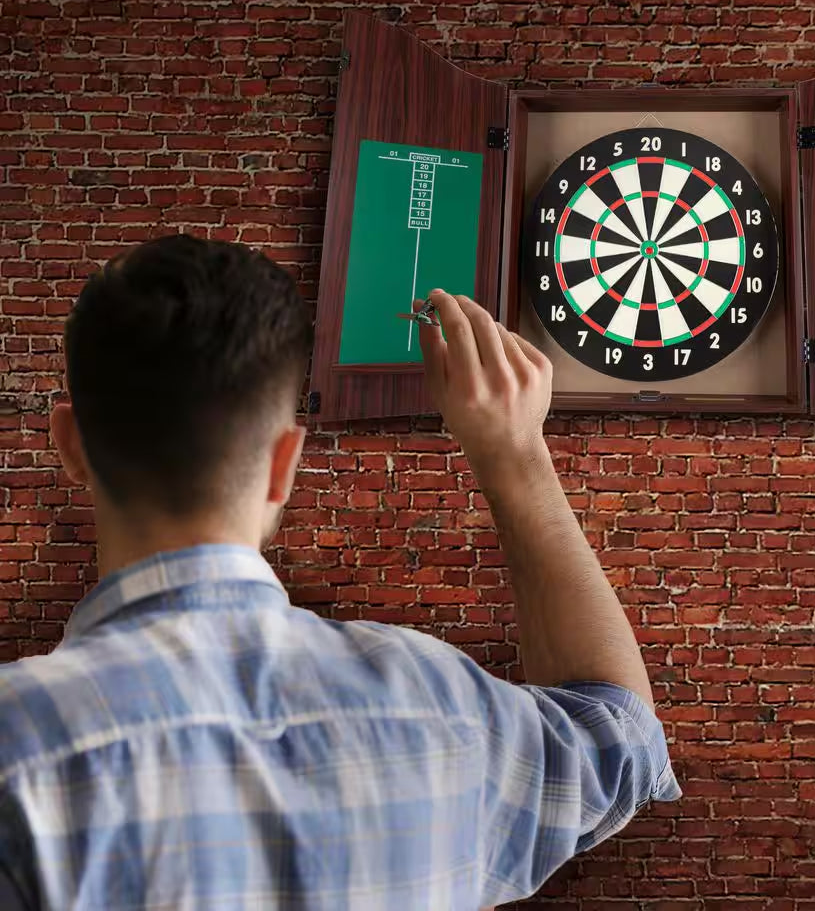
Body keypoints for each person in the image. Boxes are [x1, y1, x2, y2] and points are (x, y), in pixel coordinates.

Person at [0, 234, 680, 910]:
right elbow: (622, 738)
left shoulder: (18, 751)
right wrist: (515, 455)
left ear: (70, 445)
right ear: (284, 463)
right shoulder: (448, 713)